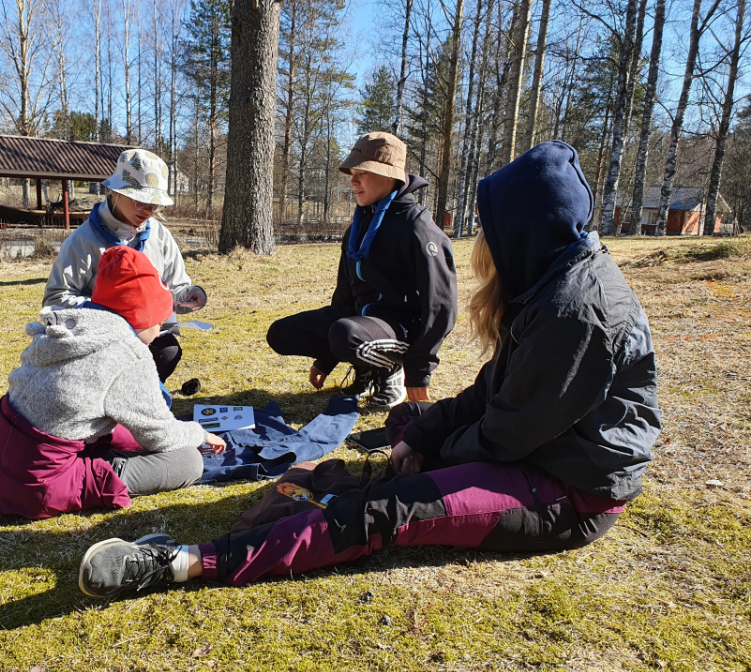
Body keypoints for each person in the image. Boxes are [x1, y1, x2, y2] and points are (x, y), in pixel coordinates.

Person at [76, 140, 662, 599]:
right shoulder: (553, 283)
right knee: (411, 422)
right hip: (534, 450)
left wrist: (429, 458)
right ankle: (358, 475)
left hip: (565, 489)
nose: (480, 240)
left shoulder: (576, 313)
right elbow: (493, 391)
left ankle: (182, 562)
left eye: (488, 228)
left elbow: (509, 433)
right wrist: (426, 434)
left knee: (393, 510)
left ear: (522, 233)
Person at [0, 246, 226, 520]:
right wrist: (198, 434)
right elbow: (159, 435)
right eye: (160, 321)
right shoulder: (129, 352)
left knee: (118, 432)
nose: (160, 331)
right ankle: (101, 470)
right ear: (142, 317)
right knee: (187, 461)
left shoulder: (74, 323)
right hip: (37, 482)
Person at [266, 132, 457, 408]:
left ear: (390, 177)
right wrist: (325, 359)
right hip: (361, 326)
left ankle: (391, 370)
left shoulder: (418, 229)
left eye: (362, 173)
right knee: (281, 333)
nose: (353, 181)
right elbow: (344, 295)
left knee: (346, 334)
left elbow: (442, 307)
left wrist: (419, 373)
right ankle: (366, 369)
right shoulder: (358, 226)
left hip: (401, 330)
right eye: (352, 173)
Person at [43, 148, 206, 382]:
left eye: (155, 205)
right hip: (97, 338)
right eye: (142, 202)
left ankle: (139, 406)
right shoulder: (82, 240)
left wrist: (188, 295)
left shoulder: (159, 235)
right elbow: (55, 300)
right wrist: (111, 314)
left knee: (167, 353)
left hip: (147, 334)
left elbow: (176, 284)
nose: (149, 212)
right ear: (115, 193)